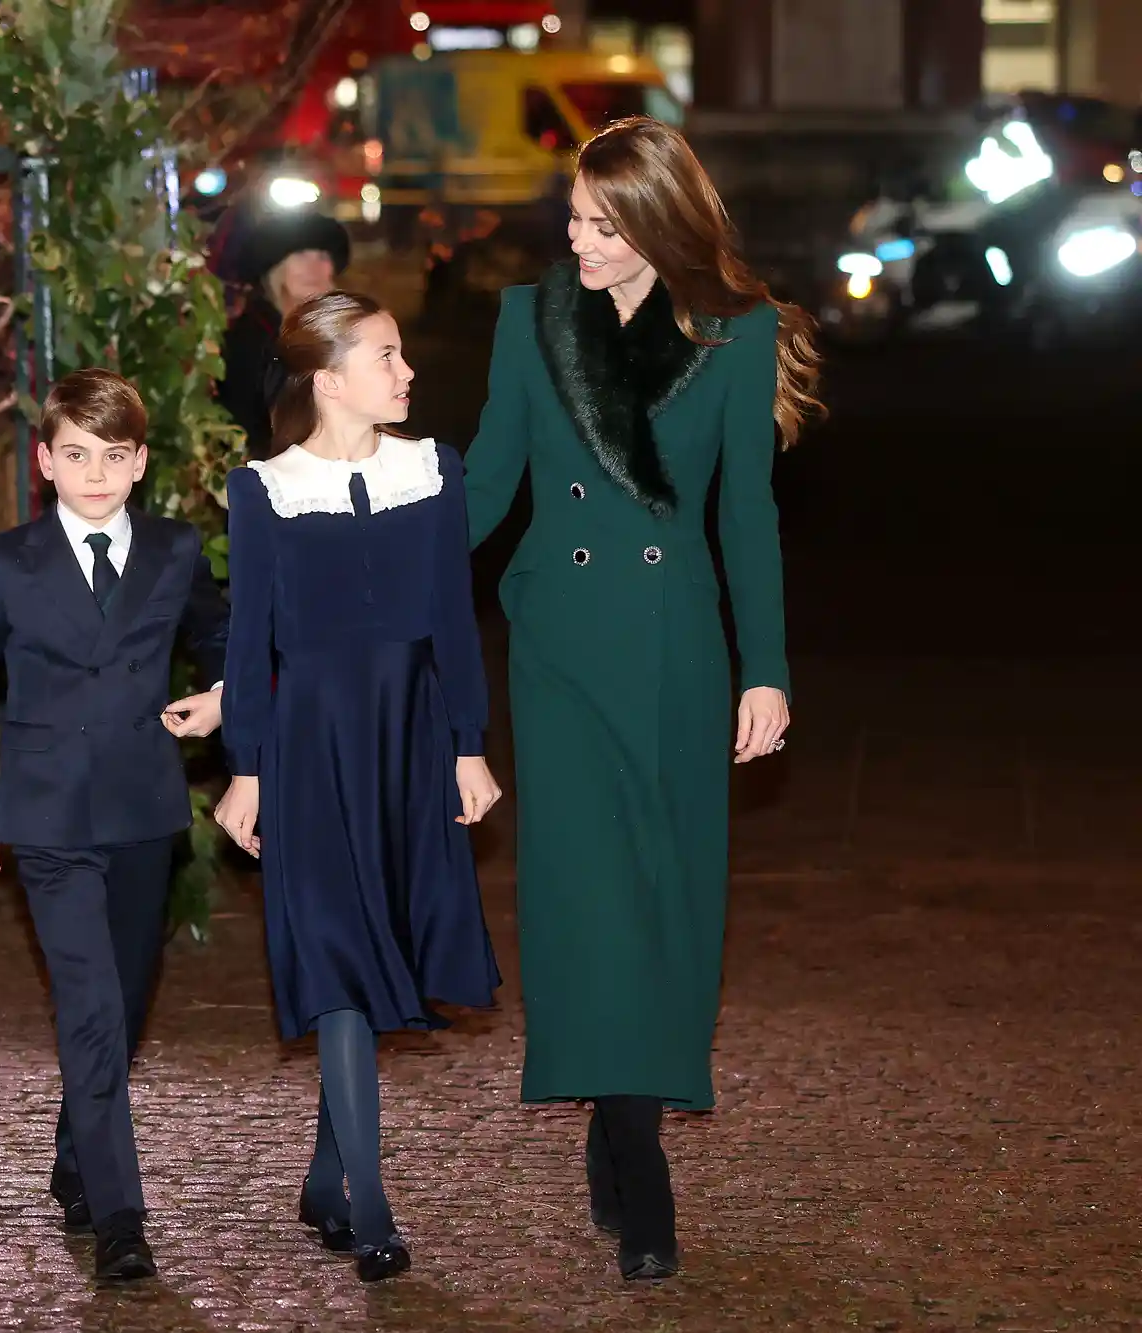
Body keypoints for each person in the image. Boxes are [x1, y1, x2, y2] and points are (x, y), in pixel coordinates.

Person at [462, 117, 812, 1280]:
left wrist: (763, 667)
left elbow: (744, 515)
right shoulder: (530, 320)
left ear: (661, 225)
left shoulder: (737, 331)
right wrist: (359, 563)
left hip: (673, 647)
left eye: (603, 227)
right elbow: (485, 488)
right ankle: (634, 1156)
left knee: (665, 895)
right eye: (571, 219)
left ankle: (628, 1125)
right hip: (558, 649)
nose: (579, 244)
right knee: (581, 897)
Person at [213, 291, 504, 1283]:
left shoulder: (432, 470)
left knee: (387, 938)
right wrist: (244, 769)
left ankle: (325, 1171)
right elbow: (248, 641)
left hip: (410, 740)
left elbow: (453, 625)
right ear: (328, 379)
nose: (406, 372)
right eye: (385, 356)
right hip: (308, 746)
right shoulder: (260, 491)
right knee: (336, 951)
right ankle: (369, 1204)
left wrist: (467, 743)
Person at [0, 370, 230, 1285]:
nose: (94, 473)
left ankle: (77, 1153)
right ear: (43, 461)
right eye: (75, 455)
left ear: (140, 463)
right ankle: (120, 1215)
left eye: (113, 456)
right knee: (92, 1008)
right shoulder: (6, 560)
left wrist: (222, 697)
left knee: (128, 1001)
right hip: (50, 816)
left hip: (144, 810)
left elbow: (225, 637)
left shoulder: (176, 551)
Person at [217, 209, 349, 460]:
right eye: (300, 255)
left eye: (322, 255)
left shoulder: (342, 331)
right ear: (276, 269)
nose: (314, 267)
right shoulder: (250, 337)